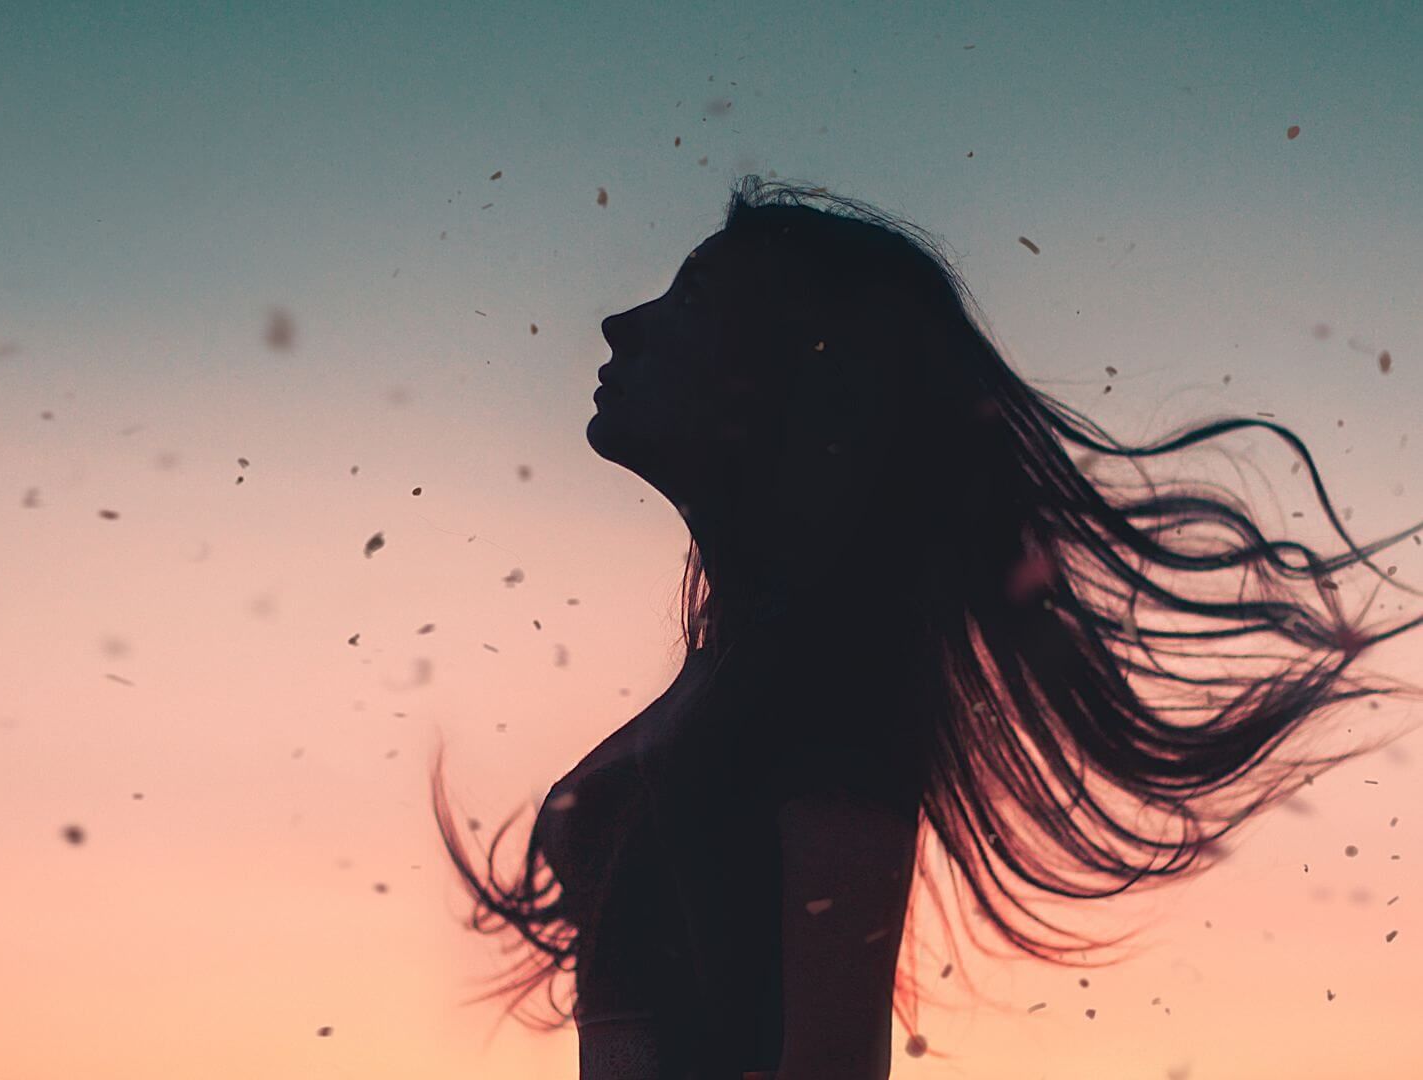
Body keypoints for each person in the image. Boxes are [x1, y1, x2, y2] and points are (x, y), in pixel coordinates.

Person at [430, 176, 1423, 1080]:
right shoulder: (744, 662)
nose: (617, 323)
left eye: (691, 299)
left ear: (789, 382)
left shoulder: (829, 675)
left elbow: (834, 1066)